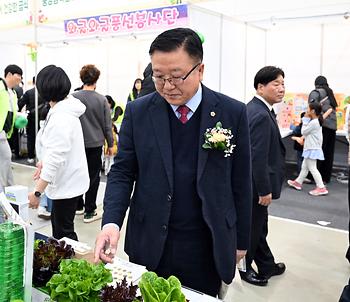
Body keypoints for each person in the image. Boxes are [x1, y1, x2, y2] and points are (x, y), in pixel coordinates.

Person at [94, 27, 252, 297]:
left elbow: (241, 181)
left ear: (200, 70)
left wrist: (241, 240)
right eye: (158, 76)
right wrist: (111, 223)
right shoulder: (139, 111)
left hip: (208, 243)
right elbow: (122, 172)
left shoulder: (232, 112)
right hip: (150, 240)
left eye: (176, 76)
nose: (167, 86)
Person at [27, 65, 89, 241]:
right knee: (62, 230)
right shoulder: (62, 110)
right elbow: (56, 150)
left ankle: (72, 266)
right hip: (68, 180)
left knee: (64, 234)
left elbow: (56, 158)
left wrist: (37, 192)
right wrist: (43, 162)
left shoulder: (61, 117)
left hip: (66, 184)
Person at [242, 66, 286, 286]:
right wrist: (263, 189)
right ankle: (244, 268)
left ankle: (266, 264)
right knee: (252, 229)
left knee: (259, 227)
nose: (281, 89)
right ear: (260, 87)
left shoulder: (261, 109)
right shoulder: (259, 114)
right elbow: (256, 157)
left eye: (282, 84)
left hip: (255, 183)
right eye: (276, 84)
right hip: (256, 185)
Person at [72, 65, 113, 223]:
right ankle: (90, 210)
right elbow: (107, 125)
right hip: (95, 144)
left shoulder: (73, 97)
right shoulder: (101, 99)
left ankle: (78, 206)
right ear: (96, 79)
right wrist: (110, 144)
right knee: (93, 177)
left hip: (77, 144)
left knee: (76, 174)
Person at [287, 102, 328, 195]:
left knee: (312, 168)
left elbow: (303, 132)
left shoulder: (314, 122)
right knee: (305, 167)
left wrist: (305, 120)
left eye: (308, 109)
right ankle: (298, 182)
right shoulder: (315, 121)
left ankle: (321, 187)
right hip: (311, 147)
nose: (306, 111)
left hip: (312, 148)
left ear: (312, 111)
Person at [308, 75, 337, 183]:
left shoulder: (316, 92)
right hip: (332, 127)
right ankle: (325, 178)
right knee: (328, 153)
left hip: (322, 126)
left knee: (317, 151)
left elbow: (312, 108)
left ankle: (314, 178)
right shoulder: (330, 93)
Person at [0, 64, 23, 192]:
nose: (20, 79)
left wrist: (19, 117)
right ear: (9, 74)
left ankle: (8, 190)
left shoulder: (12, 93)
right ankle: (6, 191)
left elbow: (11, 111)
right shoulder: (0, 87)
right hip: (0, 133)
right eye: (17, 76)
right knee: (6, 158)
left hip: (5, 132)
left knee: (5, 160)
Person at [18, 76, 46, 163]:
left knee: (31, 138)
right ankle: (42, 157)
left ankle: (31, 157)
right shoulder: (45, 93)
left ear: (33, 82)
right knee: (43, 139)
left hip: (31, 119)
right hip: (43, 120)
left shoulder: (28, 93)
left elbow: (20, 105)